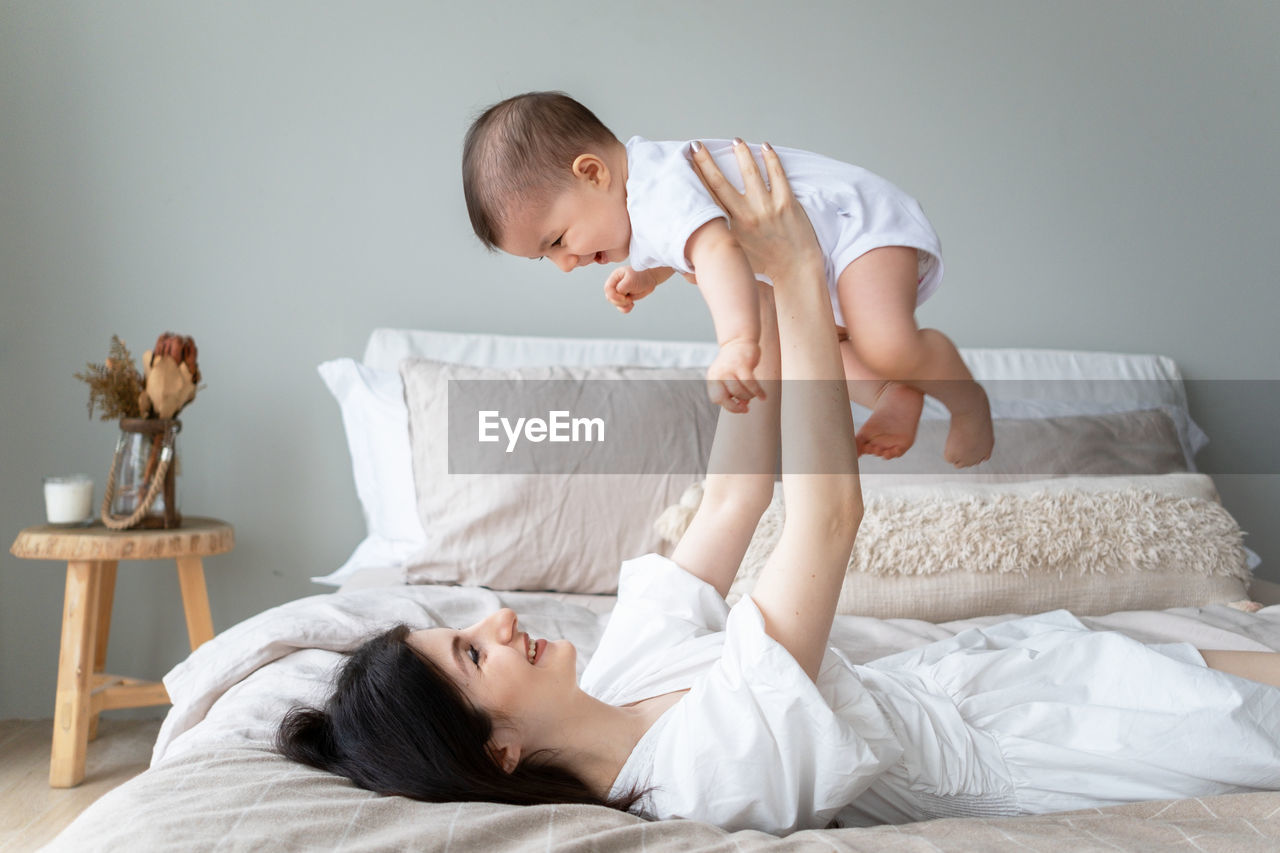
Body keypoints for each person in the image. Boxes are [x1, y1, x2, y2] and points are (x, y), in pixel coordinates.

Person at [281, 141, 1280, 835]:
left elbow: (733, 499)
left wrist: (750, 314)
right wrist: (800, 278)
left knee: (1220, 649)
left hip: (992, 671)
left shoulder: (621, 671)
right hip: (1048, 744)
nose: (498, 618)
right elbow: (825, 519)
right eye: (469, 651)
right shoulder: (705, 772)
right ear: (496, 750)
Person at [461, 91, 994, 467]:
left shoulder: (655, 189)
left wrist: (737, 342)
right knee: (820, 344)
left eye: (557, 241)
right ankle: (893, 393)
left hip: (854, 226)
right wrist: (652, 273)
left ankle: (967, 401)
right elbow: (694, 239)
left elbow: (714, 247)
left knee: (883, 340)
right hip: (817, 254)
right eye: (546, 258)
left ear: (592, 173)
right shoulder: (648, 200)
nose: (566, 263)